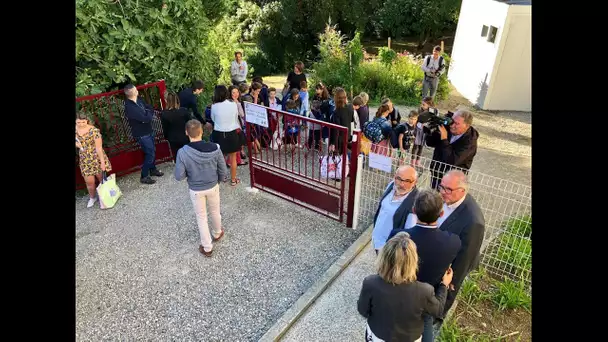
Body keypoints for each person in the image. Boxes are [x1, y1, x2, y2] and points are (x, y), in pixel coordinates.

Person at [387, 189, 461, 342]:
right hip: (424, 303)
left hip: (395, 297)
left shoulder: (398, 236)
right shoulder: (452, 242)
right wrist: (444, 285)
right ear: (441, 214)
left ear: (414, 211)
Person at [357, 232, 453, 342]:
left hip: (378, 336)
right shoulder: (424, 291)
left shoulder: (370, 283)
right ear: (413, 261)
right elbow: (438, 310)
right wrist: (444, 285)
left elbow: (363, 310)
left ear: (384, 258)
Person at [434, 170, 485, 332]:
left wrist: (452, 282)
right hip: (439, 255)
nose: (442, 192)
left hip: (451, 266)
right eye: (442, 187)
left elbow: (465, 258)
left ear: (463, 191)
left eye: (448, 189)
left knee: (443, 294)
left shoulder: (473, 221)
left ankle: (438, 315)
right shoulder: (447, 199)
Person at [174, 119, 228, 257]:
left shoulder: (182, 152)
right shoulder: (215, 148)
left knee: (201, 217)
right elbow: (223, 170)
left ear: (187, 133)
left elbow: (179, 176)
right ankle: (217, 232)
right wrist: (221, 180)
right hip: (213, 185)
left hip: (196, 189)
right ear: (202, 131)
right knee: (215, 211)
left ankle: (207, 247)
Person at [425, 109, 479, 190]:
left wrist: (444, 139)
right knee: (434, 200)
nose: (452, 125)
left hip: (452, 182)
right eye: (452, 121)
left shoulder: (470, 142)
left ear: (467, 126)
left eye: (457, 124)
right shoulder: (447, 126)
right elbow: (430, 143)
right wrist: (433, 130)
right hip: (437, 173)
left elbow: (452, 161)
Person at [371, 165, 419, 254]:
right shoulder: (391, 186)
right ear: (394, 177)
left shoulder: (414, 203)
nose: (402, 184)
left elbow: (409, 234)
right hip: (377, 239)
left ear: (415, 182)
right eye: (399, 179)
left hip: (390, 249)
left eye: (407, 181)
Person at [123, 84, 164, 184]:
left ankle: (153, 169)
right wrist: (148, 114)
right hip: (141, 133)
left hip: (148, 129)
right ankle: (144, 176)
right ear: (132, 92)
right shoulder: (130, 107)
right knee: (150, 153)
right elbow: (146, 118)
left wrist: (147, 113)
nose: (137, 90)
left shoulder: (139, 100)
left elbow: (149, 108)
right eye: (136, 89)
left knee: (152, 150)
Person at [75, 111, 113, 208]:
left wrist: (103, 163)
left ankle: (103, 196)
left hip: (96, 157)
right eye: (78, 122)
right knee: (89, 182)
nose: (81, 124)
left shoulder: (94, 131)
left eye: (83, 122)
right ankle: (92, 197)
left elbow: (99, 148)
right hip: (84, 159)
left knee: (101, 179)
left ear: (87, 121)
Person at [210, 85, 243, 187]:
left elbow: (213, 119)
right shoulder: (233, 104)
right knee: (233, 158)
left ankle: (223, 177)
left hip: (219, 133)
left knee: (221, 157)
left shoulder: (214, 106)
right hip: (232, 132)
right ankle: (233, 180)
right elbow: (235, 117)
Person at [161, 91, 192, 162]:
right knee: (189, 158)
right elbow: (190, 124)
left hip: (173, 139)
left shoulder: (164, 114)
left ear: (166, 101)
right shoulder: (184, 111)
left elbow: (165, 129)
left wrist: (166, 137)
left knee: (178, 159)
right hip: (185, 137)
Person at [328, 87, 355, 155]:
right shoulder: (350, 106)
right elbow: (352, 119)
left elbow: (335, 130)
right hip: (347, 136)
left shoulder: (336, 112)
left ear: (336, 99)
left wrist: (332, 143)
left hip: (339, 140)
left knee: (338, 160)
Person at [227, 85, 248, 166]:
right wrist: (238, 105)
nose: (235, 94)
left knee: (236, 143)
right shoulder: (235, 103)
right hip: (235, 125)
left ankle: (235, 160)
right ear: (230, 93)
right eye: (233, 92)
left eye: (237, 92)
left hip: (233, 125)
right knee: (237, 143)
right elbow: (242, 114)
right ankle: (231, 161)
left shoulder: (228, 102)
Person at [412, 97, 435, 168]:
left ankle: (417, 161)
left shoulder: (432, 111)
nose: (422, 106)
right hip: (418, 130)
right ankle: (412, 162)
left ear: (429, 105)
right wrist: (418, 125)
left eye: (424, 104)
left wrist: (427, 125)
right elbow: (415, 120)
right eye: (422, 104)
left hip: (425, 131)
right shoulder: (420, 110)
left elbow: (432, 119)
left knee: (421, 146)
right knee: (415, 146)